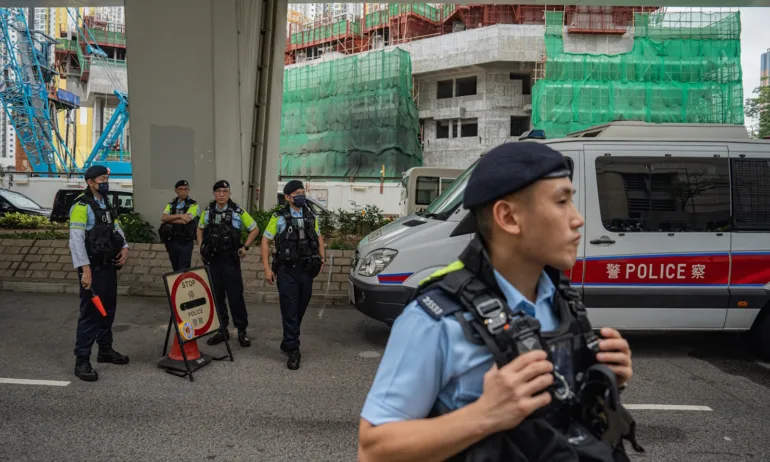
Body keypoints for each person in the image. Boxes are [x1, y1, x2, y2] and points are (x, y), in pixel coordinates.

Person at [357, 143, 642, 461]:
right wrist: (485, 415)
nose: (577, 219)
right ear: (508, 217)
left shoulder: (562, 301)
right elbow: (373, 449)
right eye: (562, 202)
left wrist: (604, 380)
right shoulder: (435, 319)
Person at [69, 165, 130, 382]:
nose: (106, 182)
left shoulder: (105, 203)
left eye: (106, 178)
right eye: (102, 178)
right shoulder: (81, 205)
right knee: (91, 313)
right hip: (91, 269)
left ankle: (105, 349)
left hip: (108, 267)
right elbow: (75, 240)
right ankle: (82, 360)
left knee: (108, 310)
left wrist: (125, 248)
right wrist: (84, 269)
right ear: (90, 182)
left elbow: (116, 228)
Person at [261, 180, 325, 370]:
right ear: (288, 197)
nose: (301, 195)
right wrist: (266, 268)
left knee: (300, 308)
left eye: (302, 191)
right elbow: (265, 241)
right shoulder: (278, 217)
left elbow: (319, 237)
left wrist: (322, 258)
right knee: (290, 309)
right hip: (286, 270)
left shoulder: (310, 215)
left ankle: (288, 340)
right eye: (297, 192)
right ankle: (294, 350)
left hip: (306, 270)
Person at [197, 180, 259, 348]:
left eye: (225, 191)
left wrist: (245, 246)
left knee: (235, 296)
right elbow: (200, 228)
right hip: (212, 260)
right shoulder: (208, 211)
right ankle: (221, 329)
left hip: (230, 260)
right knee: (217, 296)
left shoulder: (238, 211)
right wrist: (201, 247)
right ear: (214, 194)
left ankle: (241, 330)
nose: (222, 194)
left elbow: (254, 228)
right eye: (218, 191)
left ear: (229, 193)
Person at [159, 180, 199, 272]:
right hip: (172, 241)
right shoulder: (171, 204)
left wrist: (170, 219)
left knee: (183, 269)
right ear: (176, 190)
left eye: (186, 189)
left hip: (186, 241)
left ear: (188, 190)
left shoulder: (193, 205)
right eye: (180, 189)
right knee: (175, 268)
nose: (183, 191)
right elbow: (163, 218)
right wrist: (181, 215)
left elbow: (186, 220)